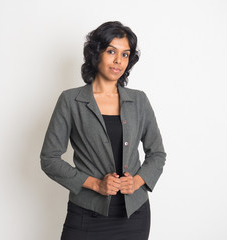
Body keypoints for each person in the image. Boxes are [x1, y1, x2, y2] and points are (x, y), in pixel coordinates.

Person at [40, 21, 166, 240]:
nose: (118, 60)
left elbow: (157, 153)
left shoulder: (139, 101)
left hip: (135, 216)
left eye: (125, 54)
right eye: (111, 51)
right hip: (86, 215)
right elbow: (49, 158)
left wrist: (136, 181)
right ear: (96, 53)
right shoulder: (71, 101)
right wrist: (96, 184)